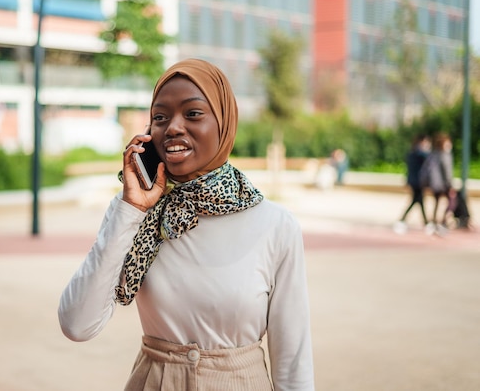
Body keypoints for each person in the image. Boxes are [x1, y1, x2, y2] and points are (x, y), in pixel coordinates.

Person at [58, 59, 315, 390]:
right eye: (160, 118)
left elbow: (292, 361)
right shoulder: (135, 216)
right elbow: (78, 325)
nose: (173, 128)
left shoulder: (276, 225)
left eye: (193, 114)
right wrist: (130, 209)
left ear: (224, 122)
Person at [393, 134, 431, 234]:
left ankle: (425, 222)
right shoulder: (419, 153)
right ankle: (404, 220)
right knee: (417, 200)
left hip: (414, 181)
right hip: (418, 181)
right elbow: (428, 158)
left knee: (419, 201)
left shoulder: (412, 152)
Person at [420, 132, 454, 236]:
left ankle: (435, 223)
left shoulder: (434, 154)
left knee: (437, 203)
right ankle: (443, 223)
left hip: (434, 184)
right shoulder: (445, 155)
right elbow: (447, 172)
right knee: (452, 202)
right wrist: (450, 185)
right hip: (443, 184)